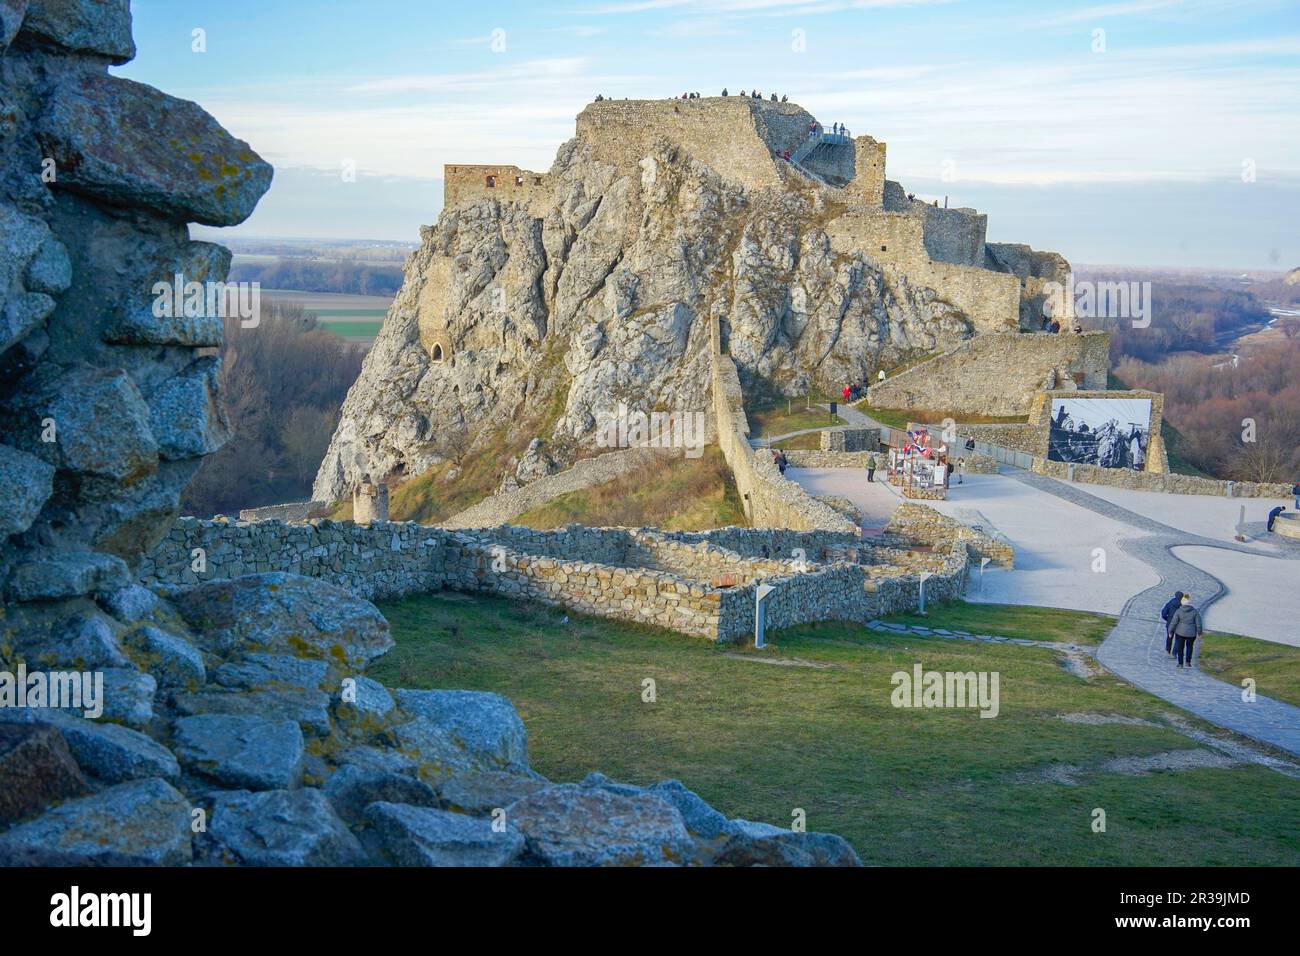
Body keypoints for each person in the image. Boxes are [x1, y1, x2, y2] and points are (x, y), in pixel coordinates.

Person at [1167, 594, 1203, 669]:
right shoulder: (1195, 612)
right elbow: (1199, 624)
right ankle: (1188, 662)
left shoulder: (1179, 611)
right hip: (1191, 633)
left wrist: (1170, 631)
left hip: (1180, 632)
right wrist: (1199, 633)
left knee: (1180, 647)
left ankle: (1180, 664)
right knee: (1189, 647)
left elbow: (1174, 622)